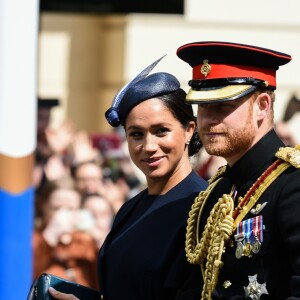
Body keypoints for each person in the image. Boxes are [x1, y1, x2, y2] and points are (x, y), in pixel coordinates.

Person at [49, 57, 208, 299]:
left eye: (161, 131)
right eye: (136, 134)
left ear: (189, 130)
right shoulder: (130, 209)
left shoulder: (202, 208)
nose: (149, 146)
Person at [176, 41, 300, 299]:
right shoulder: (217, 191)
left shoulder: (293, 184)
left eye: (222, 106)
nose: (207, 120)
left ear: (262, 106)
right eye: (203, 106)